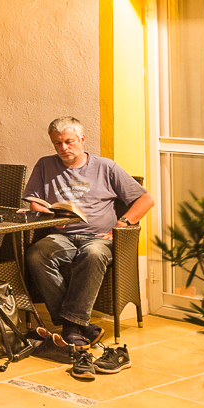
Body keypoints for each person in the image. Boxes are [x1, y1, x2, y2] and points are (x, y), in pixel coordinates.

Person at [22, 116, 152, 380]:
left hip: (99, 237)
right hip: (61, 237)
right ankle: (79, 324)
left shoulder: (106, 167)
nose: (63, 148)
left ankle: (71, 325)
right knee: (36, 254)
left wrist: (123, 223)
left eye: (69, 141)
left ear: (82, 139)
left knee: (93, 255)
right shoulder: (45, 165)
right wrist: (44, 211)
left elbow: (145, 199)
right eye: (57, 143)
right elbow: (33, 201)